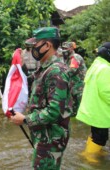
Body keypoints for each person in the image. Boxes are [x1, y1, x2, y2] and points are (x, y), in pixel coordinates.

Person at [10, 27, 71, 169]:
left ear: (47, 45)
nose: (32, 50)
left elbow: (55, 111)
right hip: (44, 135)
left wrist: (25, 119)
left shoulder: (56, 71)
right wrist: (19, 65)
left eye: (34, 45)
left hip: (51, 138)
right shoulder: (44, 69)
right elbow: (29, 81)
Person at [76, 42, 110, 163]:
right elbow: (107, 92)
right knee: (100, 138)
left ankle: (89, 151)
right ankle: (89, 157)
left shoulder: (96, 65)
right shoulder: (106, 69)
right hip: (99, 111)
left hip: (93, 109)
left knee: (96, 135)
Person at [62, 42, 87, 115]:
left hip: (79, 83)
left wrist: (61, 75)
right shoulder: (67, 59)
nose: (64, 50)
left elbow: (72, 70)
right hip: (74, 84)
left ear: (71, 48)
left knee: (80, 101)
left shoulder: (75, 57)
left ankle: (82, 119)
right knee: (74, 101)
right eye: (63, 48)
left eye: (66, 48)